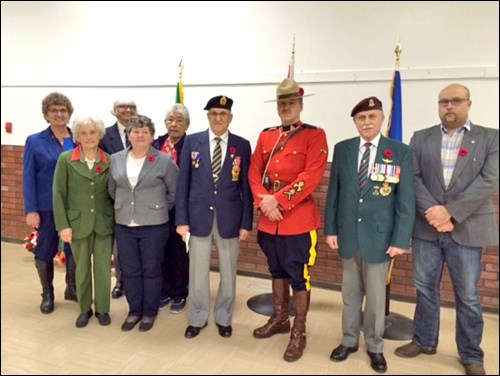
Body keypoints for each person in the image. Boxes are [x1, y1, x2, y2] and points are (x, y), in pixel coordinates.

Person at [395, 84, 499, 376]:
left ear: (469, 103)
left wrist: (450, 213)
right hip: (428, 229)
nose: (448, 107)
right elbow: (412, 178)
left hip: (467, 229)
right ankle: (424, 340)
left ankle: (471, 354)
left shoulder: (491, 138)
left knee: (467, 296)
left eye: (455, 101)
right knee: (425, 289)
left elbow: (489, 181)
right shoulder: (420, 138)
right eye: (443, 102)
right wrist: (435, 213)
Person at [324, 96, 415, 373]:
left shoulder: (398, 152)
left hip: (380, 238)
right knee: (350, 294)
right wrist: (330, 229)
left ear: (382, 119)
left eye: (372, 117)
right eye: (361, 118)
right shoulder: (343, 149)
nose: (366, 122)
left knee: (376, 298)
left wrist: (400, 240)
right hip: (349, 235)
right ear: (355, 122)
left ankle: (375, 346)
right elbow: (334, 194)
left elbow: (405, 200)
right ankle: (349, 340)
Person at [248, 78, 328, 362]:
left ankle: (299, 330)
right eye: (282, 104)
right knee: (276, 270)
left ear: (300, 106)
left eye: (291, 103)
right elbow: (254, 172)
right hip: (270, 222)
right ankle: (279, 318)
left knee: (299, 276)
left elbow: (311, 177)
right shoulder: (266, 135)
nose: (286, 108)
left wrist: (277, 200)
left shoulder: (314, 135)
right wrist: (263, 201)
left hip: (298, 222)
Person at [176, 95, 253, 339]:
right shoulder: (192, 142)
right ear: (208, 116)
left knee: (228, 272)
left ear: (230, 117)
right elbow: (183, 184)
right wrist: (182, 220)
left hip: (230, 218)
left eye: (223, 114)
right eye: (213, 114)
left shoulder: (241, 145)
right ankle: (197, 316)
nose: (218, 118)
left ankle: (224, 317)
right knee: (197, 272)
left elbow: (246, 187)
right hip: (198, 217)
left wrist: (246, 222)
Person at [108, 114, 178, 332]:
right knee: (129, 270)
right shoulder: (116, 159)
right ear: (128, 135)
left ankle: (149, 312)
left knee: (151, 269)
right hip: (124, 223)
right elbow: (112, 189)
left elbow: (173, 192)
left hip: (154, 225)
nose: (140, 135)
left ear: (152, 136)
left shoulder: (164, 160)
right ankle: (134, 310)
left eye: (145, 132)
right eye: (135, 131)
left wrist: (156, 208)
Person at [53, 116, 114, 328]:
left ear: (99, 135)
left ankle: (103, 309)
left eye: (93, 132)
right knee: (82, 269)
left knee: (103, 269)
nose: (89, 137)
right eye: (84, 133)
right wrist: (63, 225)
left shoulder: (109, 160)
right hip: (77, 224)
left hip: (104, 224)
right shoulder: (66, 159)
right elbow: (58, 194)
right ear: (77, 136)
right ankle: (84, 308)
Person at [23, 92, 78, 314]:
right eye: (54, 110)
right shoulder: (35, 141)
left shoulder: (78, 140)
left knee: (74, 249)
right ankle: (48, 294)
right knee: (45, 250)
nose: (59, 114)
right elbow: (28, 176)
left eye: (63, 110)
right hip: (47, 207)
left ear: (69, 114)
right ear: (46, 115)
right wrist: (31, 209)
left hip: (74, 207)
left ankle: (72, 288)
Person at [152, 104, 190, 314]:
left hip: (181, 209)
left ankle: (180, 293)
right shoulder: (156, 143)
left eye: (179, 120)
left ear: (187, 124)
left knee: (179, 254)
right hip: (158, 208)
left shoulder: (192, 145)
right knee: (161, 252)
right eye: (170, 120)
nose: (173, 124)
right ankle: (164, 290)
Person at [99, 99, 138, 299]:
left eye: (132, 107)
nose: (128, 110)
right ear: (115, 111)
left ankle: (135, 281)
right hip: (114, 197)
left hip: (139, 200)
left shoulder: (141, 132)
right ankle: (120, 281)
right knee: (119, 246)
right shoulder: (105, 135)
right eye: (123, 107)